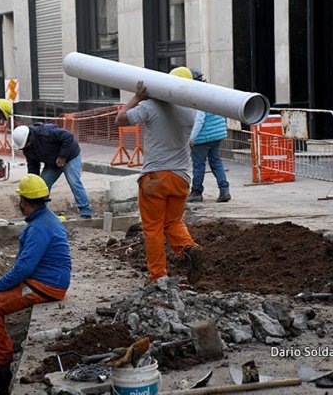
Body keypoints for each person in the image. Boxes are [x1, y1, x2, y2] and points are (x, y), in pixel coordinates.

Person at [0, 174, 71, 380]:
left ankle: (0, 363)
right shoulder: (47, 219)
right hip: (48, 281)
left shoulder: (38, 228)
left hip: (46, 285)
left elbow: (23, 269)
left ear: (23, 201)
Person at [114, 67, 204, 284]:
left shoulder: (150, 106)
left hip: (156, 177)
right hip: (181, 177)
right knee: (172, 222)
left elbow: (120, 119)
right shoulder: (190, 111)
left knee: (153, 228)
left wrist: (137, 96)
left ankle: (158, 276)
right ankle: (189, 248)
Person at [12, 123, 93, 218]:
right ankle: (40, 212)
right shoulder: (27, 149)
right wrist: (33, 182)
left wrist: (63, 156)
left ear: (30, 138)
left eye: (26, 145)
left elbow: (68, 137)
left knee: (74, 182)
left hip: (70, 156)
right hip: (53, 162)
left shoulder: (46, 133)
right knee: (43, 185)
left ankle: (85, 211)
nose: (25, 148)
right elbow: (33, 165)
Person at [187, 68, 231, 203]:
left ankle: (196, 192)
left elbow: (199, 119)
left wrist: (191, 138)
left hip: (203, 137)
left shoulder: (198, 94)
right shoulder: (211, 91)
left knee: (199, 165)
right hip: (217, 135)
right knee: (216, 163)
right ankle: (224, 191)